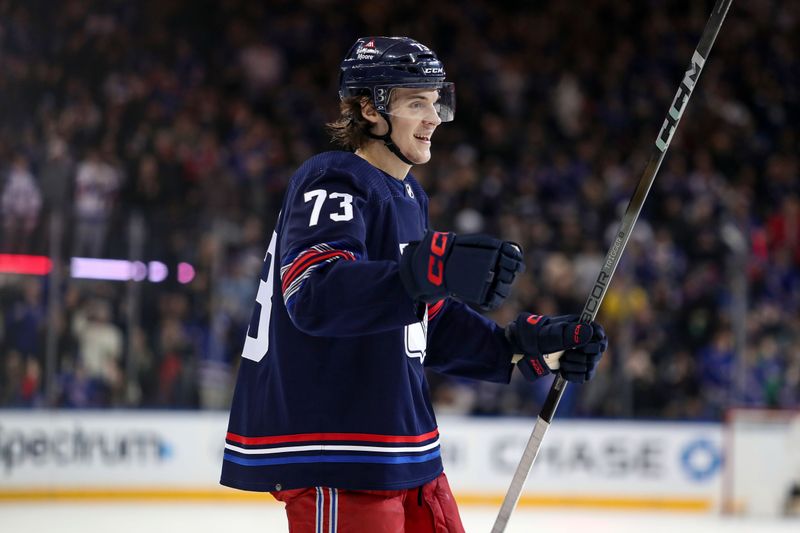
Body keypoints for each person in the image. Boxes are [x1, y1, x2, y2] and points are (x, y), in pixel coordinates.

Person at [221, 36, 608, 533]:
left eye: (436, 100)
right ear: (370, 109)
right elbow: (315, 294)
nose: (434, 117)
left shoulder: (407, 196)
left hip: (402, 447)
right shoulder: (332, 178)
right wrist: (427, 271)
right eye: (415, 103)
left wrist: (518, 347)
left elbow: (417, 316)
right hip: (340, 451)